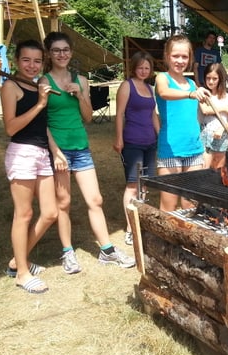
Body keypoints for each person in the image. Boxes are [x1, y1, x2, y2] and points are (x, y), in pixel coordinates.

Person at [40, 31, 135, 273]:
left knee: (96, 200)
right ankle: (67, 253)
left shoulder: (81, 80)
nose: (62, 54)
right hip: (59, 149)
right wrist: (56, 152)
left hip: (81, 147)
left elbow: (89, 117)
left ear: (71, 53)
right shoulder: (43, 82)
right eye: (56, 50)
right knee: (64, 203)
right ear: (49, 54)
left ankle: (107, 250)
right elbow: (42, 124)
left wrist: (80, 94)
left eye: (65, 50)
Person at [1, 39, 58, 294]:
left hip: (42, 153)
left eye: (37, 61)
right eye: (26, 60)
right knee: (23, 214)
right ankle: (22, 273)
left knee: (50, 213)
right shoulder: (10, 86)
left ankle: (18, 260)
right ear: (16, 61)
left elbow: (42, 127)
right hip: (21, 153)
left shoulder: (39, 85)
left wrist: (56, 151)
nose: (32, 65)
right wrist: (39, 105)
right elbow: (11, 127)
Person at [154, 34, 211, 212]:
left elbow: (200, 113)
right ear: (167, 56)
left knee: (191, 205)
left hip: (194, 148)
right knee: (169, 207)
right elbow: (164, 93)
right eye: (175, 56)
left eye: (184, 56)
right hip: (171, 149)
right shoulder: (162, 78)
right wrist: (190, 94)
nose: (180, 60)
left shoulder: (192, 83)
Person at [113, 51, 158, 246]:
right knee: (132, 184)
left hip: (151, 142)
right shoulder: (126, 86)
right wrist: (119, 138)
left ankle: (140, 220)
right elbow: (119, 114)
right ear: (134, 67)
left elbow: (153, 115)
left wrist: (160, 135)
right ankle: (130, 228)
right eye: (140, 67)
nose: (143, 70)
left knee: (145, 183)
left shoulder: (150, 87)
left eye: (146, 68)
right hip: (132, 141)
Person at [198, 63, 228, 169]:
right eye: (208, 78)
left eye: (214, 79)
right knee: (204, 168)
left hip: (221, 137)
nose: (211, 81)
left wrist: (222, 129)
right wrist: (223, 108)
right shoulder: (203, 95)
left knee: (218, 170)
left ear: (220, 79)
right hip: (205, 137)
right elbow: (205, 110)